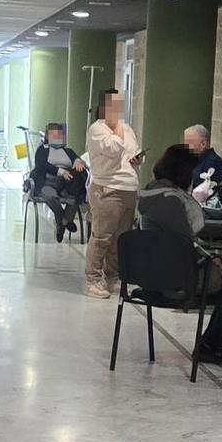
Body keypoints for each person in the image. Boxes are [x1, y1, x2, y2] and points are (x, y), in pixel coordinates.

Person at [137, 144, 222, 367]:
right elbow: (189, 236)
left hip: (153, 276)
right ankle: (209, 345)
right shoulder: (172, 201)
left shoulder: (150, 193)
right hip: (175, 282)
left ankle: (210, 344)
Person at [85, 89, 143, 299]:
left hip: (128, 187)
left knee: (120, 239)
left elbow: (131, 150)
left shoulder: (126, 129)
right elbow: (114, 149)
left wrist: (137, 158)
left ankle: (112, 278)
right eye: (114, 105)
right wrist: (116, 125)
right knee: (102, 237)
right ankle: (92, 279)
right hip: (107, 188)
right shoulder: (97, 129)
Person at [29, 122, 87, 242]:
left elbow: (78, 159)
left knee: (74, 198)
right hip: (47, 181)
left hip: (67, 184)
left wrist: (77, 161)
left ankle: (62, 223)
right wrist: (60, 171)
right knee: (49, 195)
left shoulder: (68, 151)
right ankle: (63, 219)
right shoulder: (42, 150)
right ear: (47, 136)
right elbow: (41, 165)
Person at [183, 124, 222, 190]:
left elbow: (197, 190)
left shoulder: (212, 162)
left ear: (203, 144)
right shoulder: (194, 160)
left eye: (189, 143)